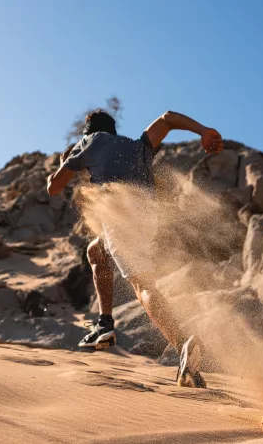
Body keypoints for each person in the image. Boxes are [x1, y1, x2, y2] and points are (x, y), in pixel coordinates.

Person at [46, 109, 223, 387]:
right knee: (95, 252)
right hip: (147, 215)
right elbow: (167, 119)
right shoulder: (138, 146)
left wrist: (63, 164)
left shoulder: (88, 142)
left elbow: (54, 188)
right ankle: (105, 323)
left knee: (143, 285)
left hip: (122, 217)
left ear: (88, 132)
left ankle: (182, 345)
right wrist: (203, 131)